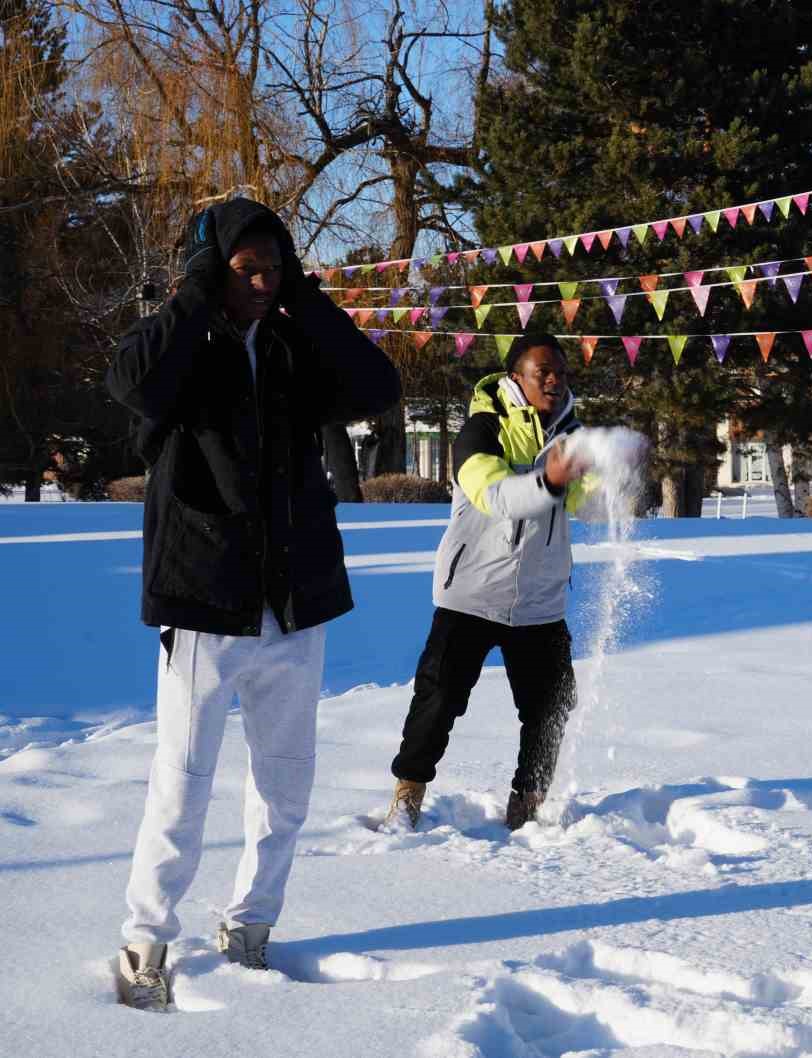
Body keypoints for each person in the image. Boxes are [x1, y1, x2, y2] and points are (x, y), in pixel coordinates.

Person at [105, 197, 401, 1010]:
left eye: (275, 268)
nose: (264, 282)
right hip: (203, 599)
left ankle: (250, 926)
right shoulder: (182, 347)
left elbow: (377, 385)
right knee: (183, 783)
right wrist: (198, 293)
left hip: (295, 602)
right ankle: (145, 940)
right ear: (211, 268)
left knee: (286, 786)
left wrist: (305, 299)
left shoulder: (290, 345)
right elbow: (131, 382)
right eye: (247, 269)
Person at [385, 332, 591, 834]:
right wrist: (550, 480)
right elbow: (495, 497)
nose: (555, 380)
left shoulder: (570, 433)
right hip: (472, 595)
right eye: (543, 371)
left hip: (540, 600)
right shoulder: (482, 428)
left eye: (561, 372)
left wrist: (606, 479)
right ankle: (408, 795)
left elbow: (585, 502)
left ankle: (528, 801)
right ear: (515, 376)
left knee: (551, 707)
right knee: (438, 701)